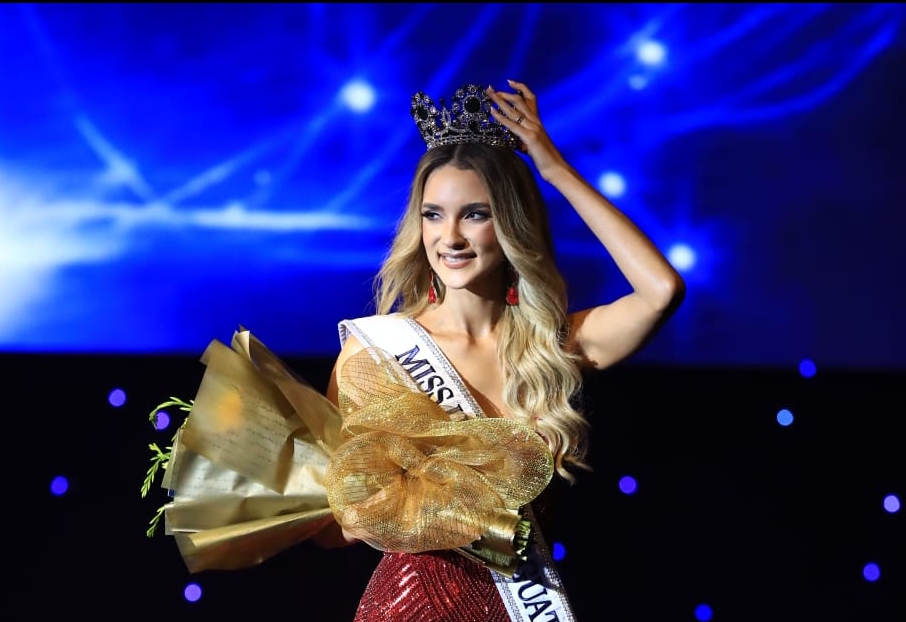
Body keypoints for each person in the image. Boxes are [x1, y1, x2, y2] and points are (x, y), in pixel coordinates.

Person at [312, 80, 686, 621]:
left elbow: (661, 291)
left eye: (476, 214)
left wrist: (554, 169)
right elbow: (331, 531)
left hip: (521, 607)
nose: (451, 237)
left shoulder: (553, 346)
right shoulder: (376, 352)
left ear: (511, 223)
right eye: (434, 214)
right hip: (408, 607)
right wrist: (383, 512)